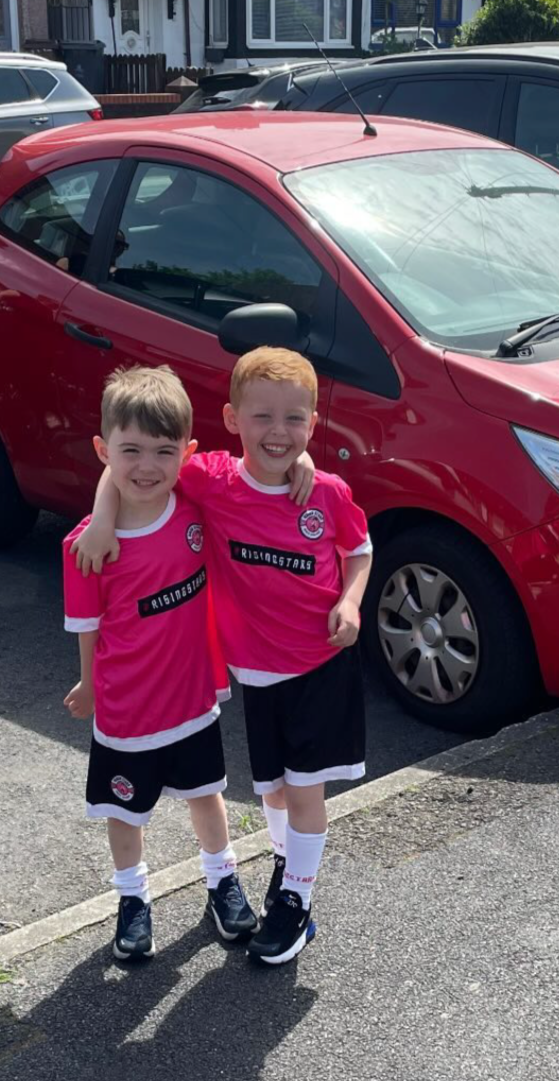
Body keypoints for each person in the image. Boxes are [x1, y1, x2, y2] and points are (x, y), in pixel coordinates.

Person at [72, 348, 373, 966]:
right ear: (233, 420)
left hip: (320, 665)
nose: (279, 432)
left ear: (313, 424)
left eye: (295, 421)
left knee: (306, 790)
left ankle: (296, 903)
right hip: (255, 675)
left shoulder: (326, 491)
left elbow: (360, 548)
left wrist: (351, 601)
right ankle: (284, 865)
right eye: (262, 417)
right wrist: (103, 516)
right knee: (277, 792)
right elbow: (134, 452)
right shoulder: (209, 480)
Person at [62, 364, 258, 963]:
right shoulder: (86, 547)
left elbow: (257, 471)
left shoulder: (198, 512)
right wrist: (89, 685)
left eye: (163, 452)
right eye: (130, 452)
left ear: (187, 454)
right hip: (125, 707)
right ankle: (132, 897)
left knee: (207, 794)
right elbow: (88, 628)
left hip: (193, 698)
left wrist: (299, 465)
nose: (146, 467)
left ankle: (222, 880)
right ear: (104, 450)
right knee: (124, 809)